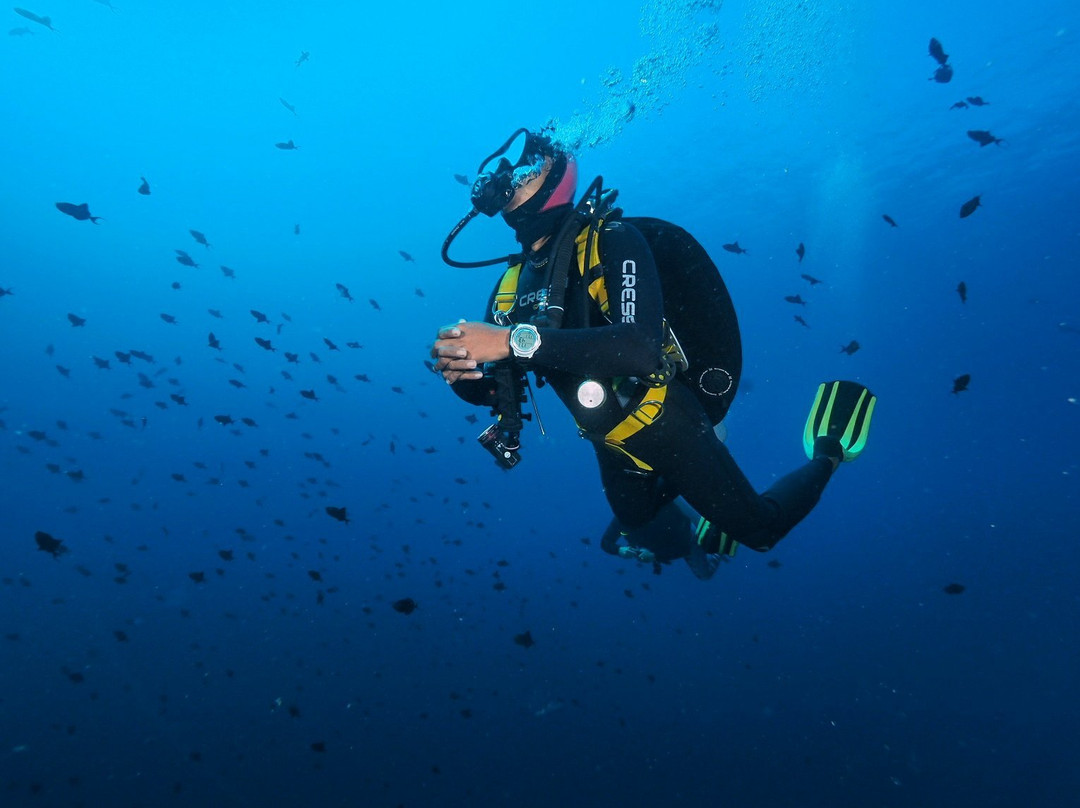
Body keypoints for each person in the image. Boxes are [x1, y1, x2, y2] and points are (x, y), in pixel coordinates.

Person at [431, 129, 875, 572]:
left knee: (760, 531)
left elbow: (638, 348)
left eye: (530, 167)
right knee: (637, 521)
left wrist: (509, 340)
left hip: (663, 416)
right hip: (609, 440)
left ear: (556, 179)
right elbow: (500, 390)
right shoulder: (510, 287)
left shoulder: (615, 239)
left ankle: (829, 450)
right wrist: (464, 378)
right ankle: (699, 515)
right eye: (510, 169)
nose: (512, 177)